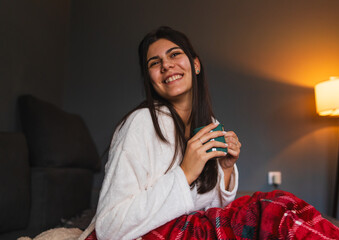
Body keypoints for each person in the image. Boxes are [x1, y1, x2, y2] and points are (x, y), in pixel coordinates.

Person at [79, 26, 241, 240]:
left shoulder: (209, 125)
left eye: (174, 54)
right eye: (154, 63)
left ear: (196, 65)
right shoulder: (140, 124)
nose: (166, 65)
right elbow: (110, 227)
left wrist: (225, 169)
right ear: (150, 79)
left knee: (275, 207)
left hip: (188, 232)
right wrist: (185, 173)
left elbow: (210, 211)